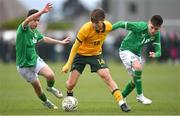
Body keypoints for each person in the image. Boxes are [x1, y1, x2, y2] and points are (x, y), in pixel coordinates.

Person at [61, 9, 130, 112]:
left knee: (106, 75)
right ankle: (69, 93)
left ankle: (122, 103)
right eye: (92, 22)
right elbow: (75, 47)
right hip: (81, 55)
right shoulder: (85, 29)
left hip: (95, 55)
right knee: (70, 84)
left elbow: (118, 25)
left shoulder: (108, 26)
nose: (94, 25)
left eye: (96, 22)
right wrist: (68, 64)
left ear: (103, 20)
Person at [16, 3, 70, 109]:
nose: (36, 22)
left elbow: (45, 38)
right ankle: (46, 102)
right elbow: (27, 21)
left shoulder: (35, 32)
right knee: (37, 87)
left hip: (34, 60)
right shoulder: (23, 29)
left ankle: (50, 88)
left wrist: (60, 42)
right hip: (23, 66)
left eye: (38, 20)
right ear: (29, 19)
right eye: (35, 20)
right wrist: (42, 12)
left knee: (50, 75)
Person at [112, 15, 163, 105]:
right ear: (149, 23)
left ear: (159, 28)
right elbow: (120, 24)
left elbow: (159, 51)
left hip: (136, 54)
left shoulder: (156, 34)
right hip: (125, 49)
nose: (153, 31)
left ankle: (121, 97)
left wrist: (156, 54)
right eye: (152, 28)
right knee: (138, 67)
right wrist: (106, 30)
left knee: (135, 80)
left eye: (156, 29)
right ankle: (140, 96)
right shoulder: (140, 26)